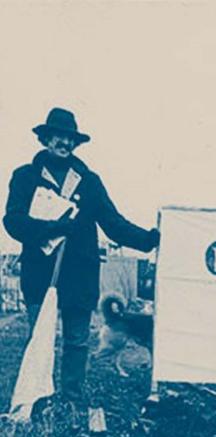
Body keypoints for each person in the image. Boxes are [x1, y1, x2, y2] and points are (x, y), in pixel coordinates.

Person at [3, 107, 161, 410]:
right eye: (57, 137)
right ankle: (37, 398)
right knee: (41, 338)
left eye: (69, 139)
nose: (63, 143)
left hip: (79, 274)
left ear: (75, 144)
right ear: (46, 139)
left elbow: (113, 222)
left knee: (76, 340)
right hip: (40, 273)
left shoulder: (89, 181)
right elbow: (12, 221)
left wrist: (149, 239)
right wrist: (52, 228)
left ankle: (71, 398)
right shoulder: (25, 177)